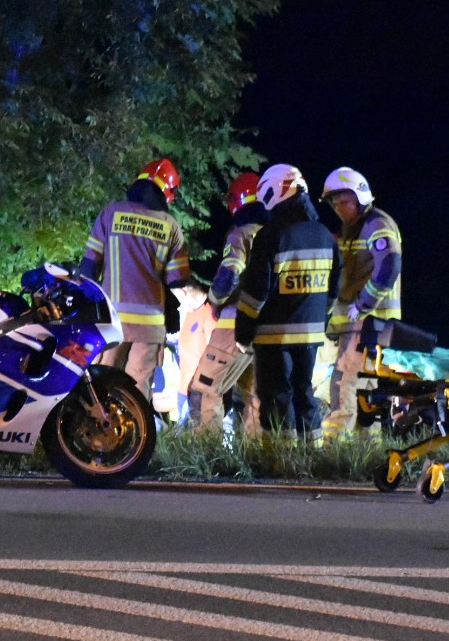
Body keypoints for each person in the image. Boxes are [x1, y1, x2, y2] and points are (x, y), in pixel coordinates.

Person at [233, 164, 340, 437]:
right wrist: (320, 321)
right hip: (312, 335)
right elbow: (333, 290)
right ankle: (312, 454)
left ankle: (278, 456)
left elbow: (255, 292)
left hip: (274, 336)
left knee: (276, 398)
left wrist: (243, 332)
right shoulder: (325, 235)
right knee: (305, 394)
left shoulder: (271, 235)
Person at [78, 158, 194, 400]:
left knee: (99, 386)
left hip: (112, 320)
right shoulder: (170, 226)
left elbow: (88, 269)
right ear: (166, 193)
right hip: (151, 326)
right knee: (137, 393)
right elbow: (178, 281)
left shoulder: (111, 214)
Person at [319, 166, 404, 441]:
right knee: (365, 392)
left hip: (369, 322)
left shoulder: (377, 224)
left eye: (343, 201)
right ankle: (365, 449)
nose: (338, 209)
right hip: (361, 325)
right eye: (334, 204)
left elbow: (389, 265)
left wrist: (363, 305)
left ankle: (334, 446)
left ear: (360, 196)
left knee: (343, 383)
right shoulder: (354, 229)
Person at [187, 171, 264, 431]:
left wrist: (213, 301)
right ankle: (255, 452)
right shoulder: (276, 235)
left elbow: (229, 275)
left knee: (203, 389)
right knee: (253, 397)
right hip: (267, 329)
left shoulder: (241, 234)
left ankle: (207, 450)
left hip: (235, 324)